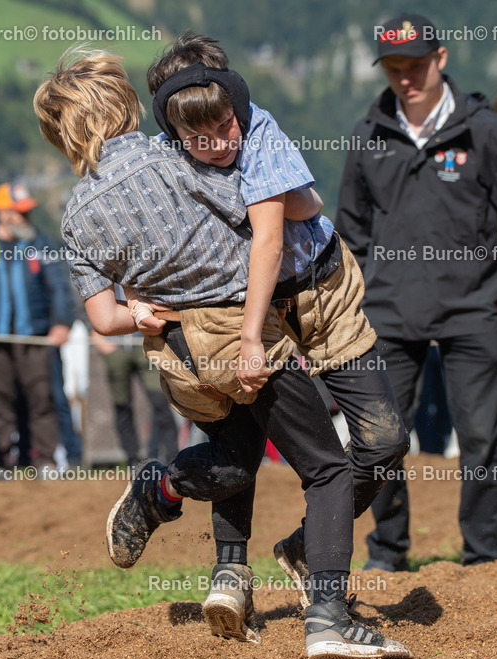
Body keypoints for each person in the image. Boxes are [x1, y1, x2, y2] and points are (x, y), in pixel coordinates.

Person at [35, 48, 410, 659]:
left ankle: (167, 491)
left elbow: (103, 318)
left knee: (235, 461)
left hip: (176, 350)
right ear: (125, 106)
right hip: (240, 332)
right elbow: (269, 214)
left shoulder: (76, 213)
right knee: (327, 469)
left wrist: (139, 311)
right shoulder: (173, 159)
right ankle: (329, 619)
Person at [145, 29, 408, 593]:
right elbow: (143, 229)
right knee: (238, 433)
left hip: (320, 291)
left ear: (232, 97)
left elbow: (269, 238)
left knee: (385, 440)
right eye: (196, 128)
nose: (218, 138)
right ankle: (229, 570)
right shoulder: (164, 159)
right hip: (242, 304)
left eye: (224, 118)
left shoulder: (259, 131)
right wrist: (137, 296)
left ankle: (306, 542)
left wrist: (247, 339)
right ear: (171, 122)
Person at [335, 13, 497, 570]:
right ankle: (387, 550)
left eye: (414, 65)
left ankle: (483, 552)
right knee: (381, 438)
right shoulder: (368, 136)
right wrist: (340, 313)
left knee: (481, 438)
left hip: (472, 310)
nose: (404, 78)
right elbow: (350, 236)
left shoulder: (487, 130)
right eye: (393, 68)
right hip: (385, 311)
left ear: (441, 58)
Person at [0, 184, 75, 473]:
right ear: (3, 213)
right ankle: (2, 462)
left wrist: (61, 323)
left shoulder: (42, 243)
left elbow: (60, 288)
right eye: (19, 211)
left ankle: (46, 460)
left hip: (36, 337)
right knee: (0, 401)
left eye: (28, 211)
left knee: (42, 399)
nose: (26, 217)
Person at [91, 286, 179, 466]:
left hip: (145, 343)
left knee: (161, 401)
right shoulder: (101, 265)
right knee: (122, 406)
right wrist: (96, 336)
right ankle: (133, 462)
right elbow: (87, 298)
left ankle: (172, 458)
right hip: (114, 347)